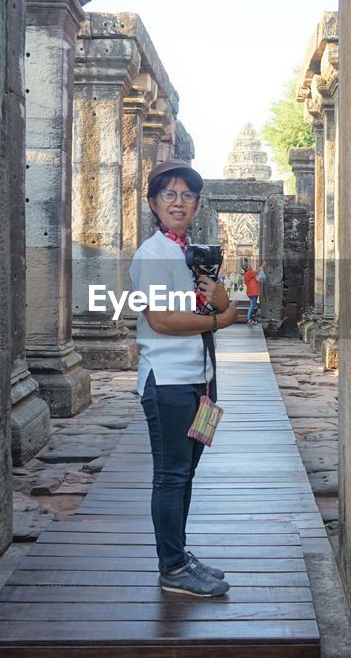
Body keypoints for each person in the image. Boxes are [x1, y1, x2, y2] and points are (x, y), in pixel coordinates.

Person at [129, 160, 240, 597]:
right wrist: (220, 321)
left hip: (198, 378)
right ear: (155, 203)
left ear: (196, 205)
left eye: (187, 195)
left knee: (185, 474)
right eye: (169, 195)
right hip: (168, 379)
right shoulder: (152, 254)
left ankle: (179, 554)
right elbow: (159, 320)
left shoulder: (188, 252)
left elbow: (221, 306)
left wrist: (221, 301)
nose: (179, 202)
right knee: (171, 476)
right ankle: (172, 567)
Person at [243, 260, 268, 325]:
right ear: (247, 268)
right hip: (253, 291)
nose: (251, 266)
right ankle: (249, 319)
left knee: (254, 305)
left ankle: (251, 318)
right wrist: (263, 265)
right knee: (252, 305)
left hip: (252, 291)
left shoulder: (248, 274)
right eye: (249, 266)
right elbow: (257, 272)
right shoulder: (249, 273)